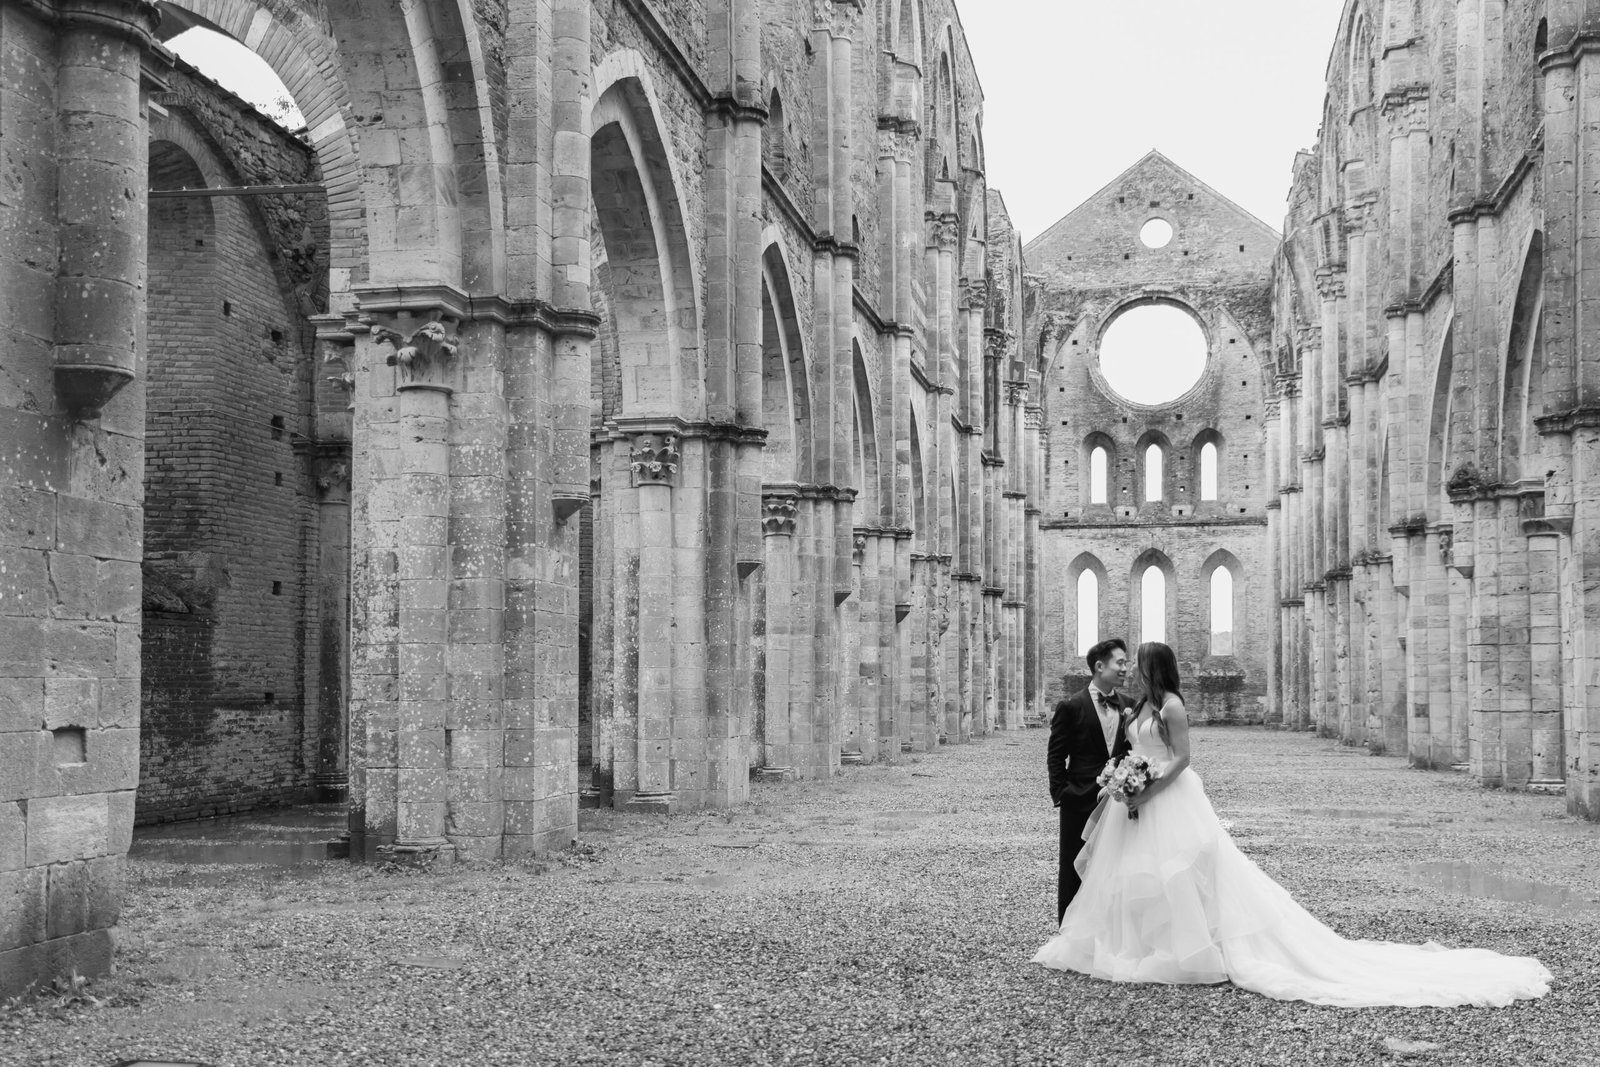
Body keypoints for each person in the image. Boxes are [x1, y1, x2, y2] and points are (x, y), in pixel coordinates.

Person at [1032, 641, 1553, 1008]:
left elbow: (1182, 760)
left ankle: (1188, 950)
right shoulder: (1137, 705)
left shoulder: (1170, 705)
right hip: (1136, 801)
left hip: (1167, 796)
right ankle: (1139, 947)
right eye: (1126, 664)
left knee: (1180, 869)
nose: (1131, 671)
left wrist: (1148, 787)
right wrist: (1125, 782)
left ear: (1154, 668)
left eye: (1137, 664)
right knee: (1131, 873)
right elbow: (1127, 748)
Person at [1047, 637, 1132, 925]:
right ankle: (1069, 931)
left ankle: (1109, 931)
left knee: (1116, 866)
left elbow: (1133, 752)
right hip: (1079, 798)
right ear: (1099, 666)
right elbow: (1056, 755)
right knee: (1073, 866)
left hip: (1118, 801)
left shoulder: (1129, 706)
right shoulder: (1071, 706)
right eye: (1120, 662)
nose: (1125, 668)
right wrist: (1062, 793)